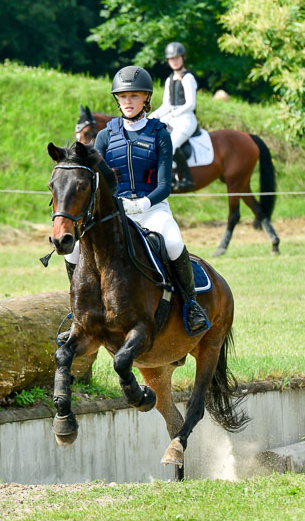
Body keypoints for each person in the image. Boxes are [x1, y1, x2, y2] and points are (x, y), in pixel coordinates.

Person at [66, 65, 210, 337]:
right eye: (123, 97)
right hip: (115, 213)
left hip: (152, 208)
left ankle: (191, 306)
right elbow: (95, 177)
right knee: (74, 251)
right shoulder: (106, 136)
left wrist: (144, 203)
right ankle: (78, 312)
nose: (128, 102)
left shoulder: (160, 134)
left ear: (146, 98)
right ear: (117, 100)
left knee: (173, 241)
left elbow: (165, 185)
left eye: (134, 96)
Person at [151, 41, 198, 190]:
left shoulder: (188, 78)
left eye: (177, 58)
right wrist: (153, 116)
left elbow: (191, 104)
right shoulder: (169, 79)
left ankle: (187, 180)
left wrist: (173, 113)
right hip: (173, 118)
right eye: (172, 59)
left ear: (183, 58)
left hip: (187, 119)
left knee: (171, 144)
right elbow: (166, 104)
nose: (175, 61)